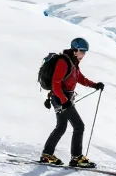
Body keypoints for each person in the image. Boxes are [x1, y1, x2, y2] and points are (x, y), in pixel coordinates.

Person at [41, 37, 104, 168]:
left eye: (85, 52)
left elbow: (80, 78)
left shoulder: (73, 62)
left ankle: (47, 155)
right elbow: (56, 83)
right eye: (82, 51)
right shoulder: (64, 62)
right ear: (75, 50)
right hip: (60, 98)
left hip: (64, 99)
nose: (83, 54)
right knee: (79, 126)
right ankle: (76, 157)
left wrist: (95, 85)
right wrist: (64, 101)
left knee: (61, 127)